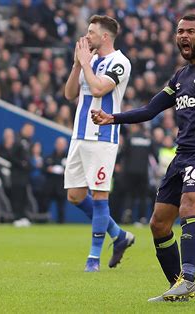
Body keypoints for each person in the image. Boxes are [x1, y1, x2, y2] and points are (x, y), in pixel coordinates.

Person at [92, 14, 195, 302]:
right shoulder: (181, 76)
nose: (184, 36)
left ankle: (189, 279)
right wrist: (112, 118)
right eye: (180, 31)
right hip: (183, 154)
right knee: (158, 223)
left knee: (189, 206)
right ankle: (179, 286)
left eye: (191, 31)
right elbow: (149, 110)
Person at [63, 15, 135, 272]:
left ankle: (93, 259)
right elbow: (69, 94)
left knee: (100, 195)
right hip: (79, 135)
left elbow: (97, 89)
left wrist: (85, 64)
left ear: (105, 37)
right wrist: (76, 66)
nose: (86, 36)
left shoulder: (120, 62)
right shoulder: (88, 60)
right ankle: (119, 235)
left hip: (102, 137)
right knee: (74, 195)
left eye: (91, 32)